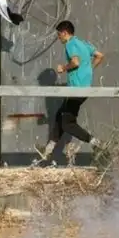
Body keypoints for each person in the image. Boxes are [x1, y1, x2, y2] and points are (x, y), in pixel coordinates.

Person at [35, 21, 106, 167]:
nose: (58, 38)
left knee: (67, 123)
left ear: (65, 32)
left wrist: (64, 68)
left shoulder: (70, 44)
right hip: (84, 88)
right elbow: (99, 55)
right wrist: (89, 71)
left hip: (76, 89)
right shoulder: (83, 43)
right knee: (61, 115)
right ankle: (48, 150)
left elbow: (75, 62)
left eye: (58, 34)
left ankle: (97, 144)